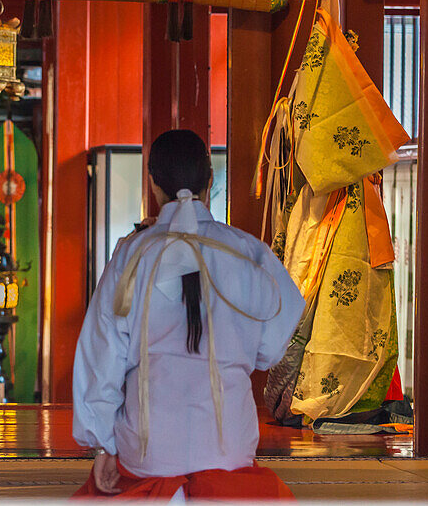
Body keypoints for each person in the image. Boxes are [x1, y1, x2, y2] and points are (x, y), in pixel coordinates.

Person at [73, 130, 303, 499]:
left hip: (149, 450)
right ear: (210, 180)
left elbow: (102, 360)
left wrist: (103, 446)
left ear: (152, 182)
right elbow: (272, 349)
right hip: (228, 445)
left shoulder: (131, 256)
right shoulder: (249, 253)